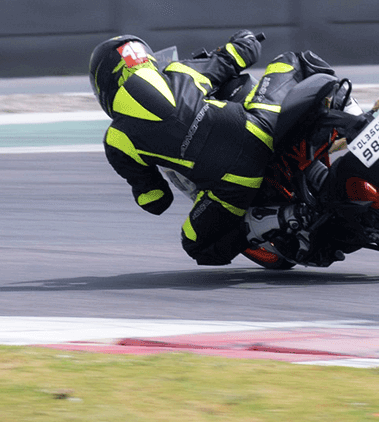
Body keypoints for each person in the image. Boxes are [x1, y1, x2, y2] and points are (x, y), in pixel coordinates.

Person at [86, 29, 281, 266]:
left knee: (196, 245)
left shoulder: (117, 138)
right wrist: (245, 38)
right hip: (260, 128)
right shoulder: (181, 70)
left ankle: (271, 222)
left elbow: (157, 201)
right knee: (290, 63)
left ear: (104, 84)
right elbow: (236, 55)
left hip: (235, 182)